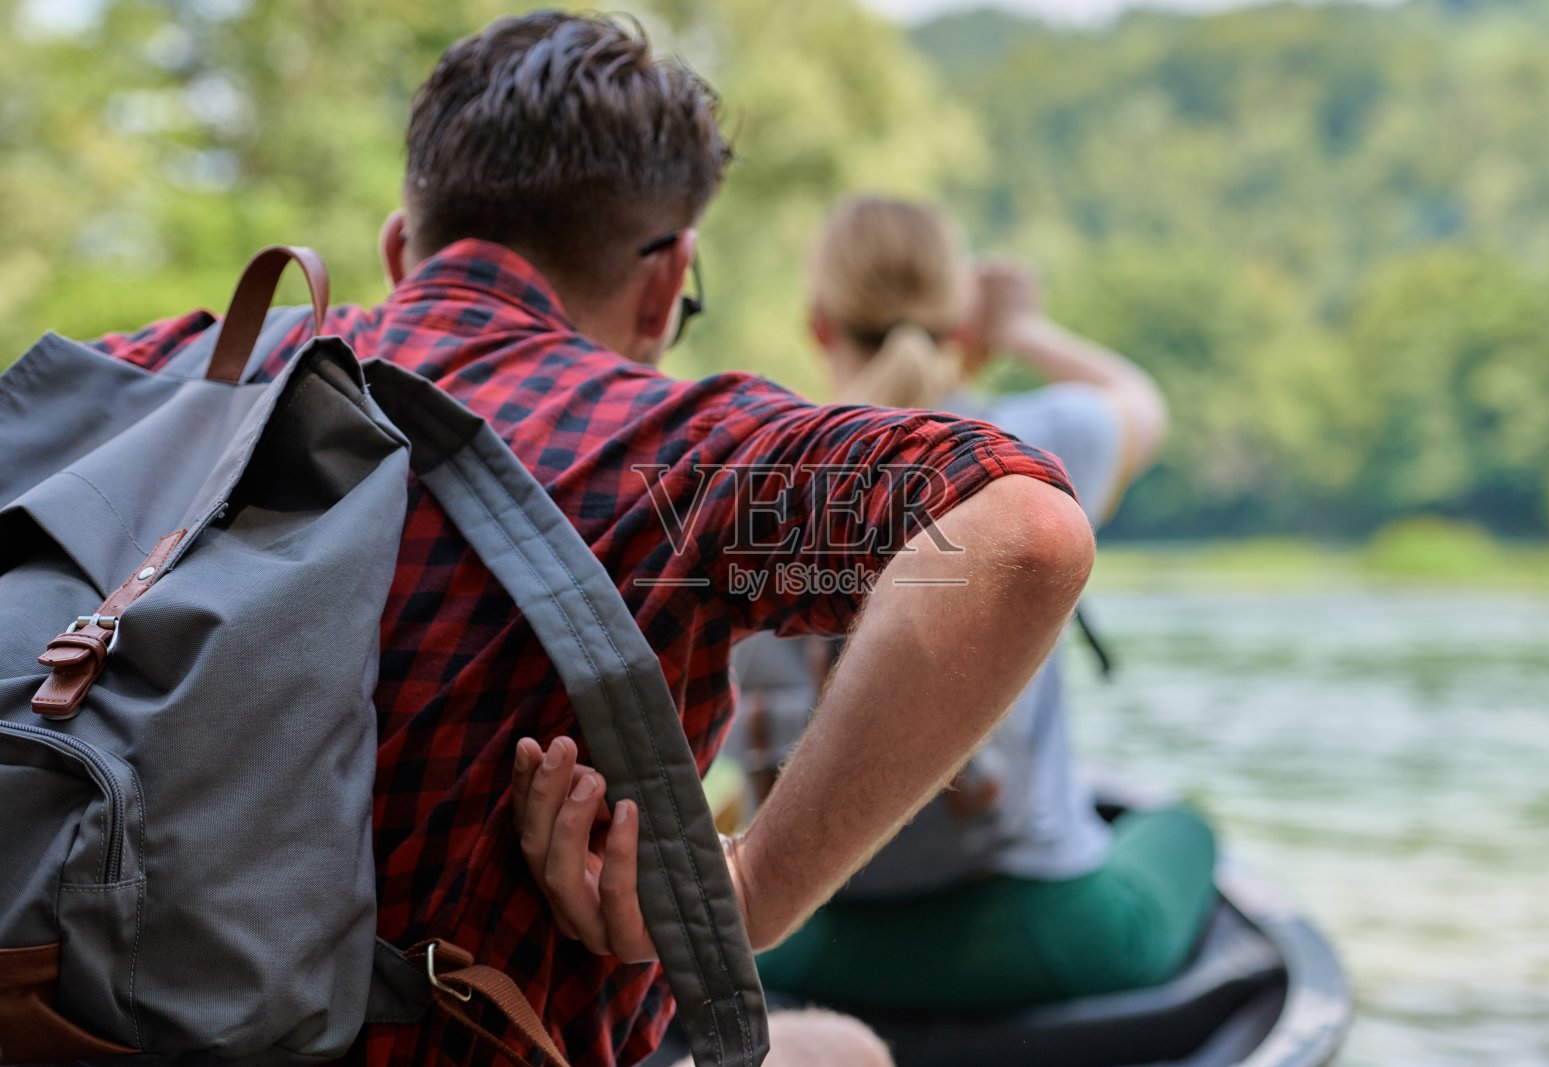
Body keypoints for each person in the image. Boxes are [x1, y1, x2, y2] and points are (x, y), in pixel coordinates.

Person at [88, 16, 1095, 1067]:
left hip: (79, 1023)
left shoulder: (160, 383)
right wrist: (745, 890)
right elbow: (1018, 533)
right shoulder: (675, 465)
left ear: (400, 249)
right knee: (842, 1049)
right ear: (666, 284)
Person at [733, 195, 1216, 1011]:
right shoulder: (1035, 442)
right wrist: (1023, 329)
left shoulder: (746, 474)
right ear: (960, 324)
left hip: (808, 951)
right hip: (1030, 937)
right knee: (1188, 832)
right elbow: (1142, 401)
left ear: (819, 325)